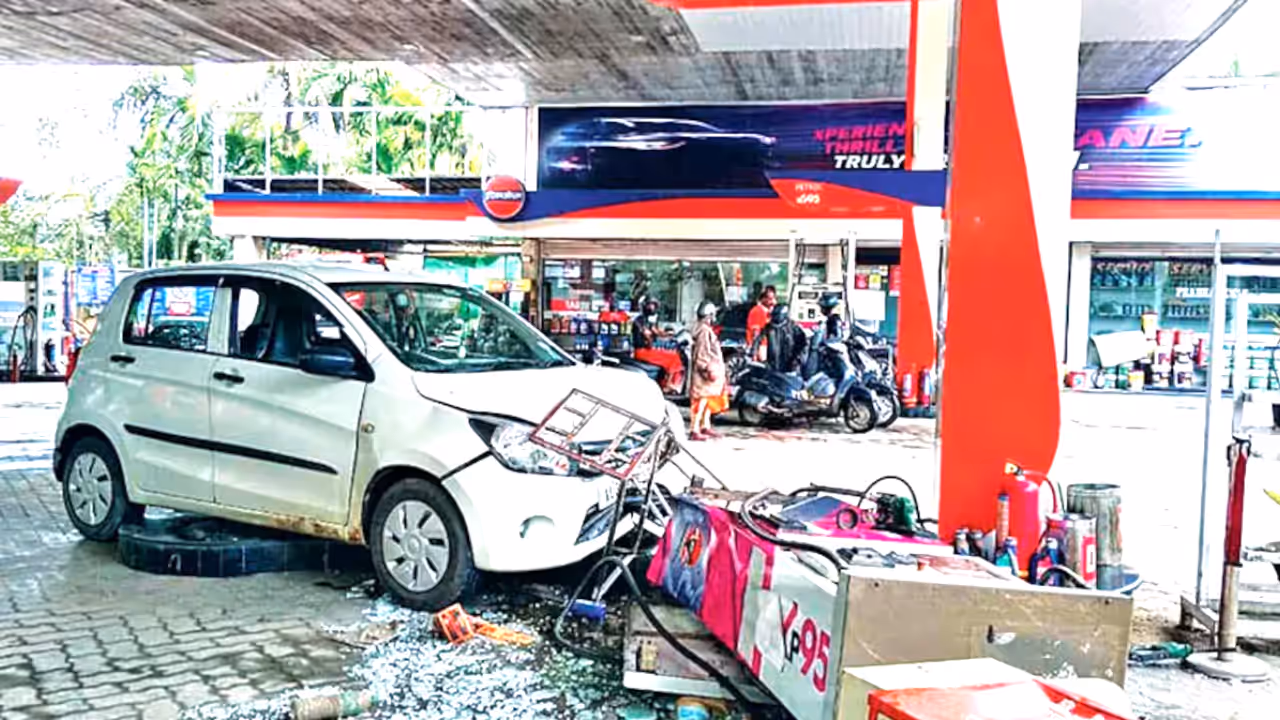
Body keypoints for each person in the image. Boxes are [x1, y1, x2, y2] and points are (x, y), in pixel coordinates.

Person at [689, 301, 728, 441]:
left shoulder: (703, 328)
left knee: (707, 401)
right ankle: (694, 429)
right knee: (700, 402)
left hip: (707, 372)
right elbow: (702, 353)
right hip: (704, 373)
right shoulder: (704, 331)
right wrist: (706, 368)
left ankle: (705, 426)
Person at [632, 298, 684, 394]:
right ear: (644, 306)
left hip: (648, 349)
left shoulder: (648, 320)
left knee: (673, 355)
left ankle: (665, 383)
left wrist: (670, 334)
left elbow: (657, 331)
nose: (652, 308)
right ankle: (668, 386)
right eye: (650, 305)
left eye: (654, 305)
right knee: (673, 358)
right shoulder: (639, 321)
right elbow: (647, 334)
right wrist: (655, 335)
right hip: (642, 351)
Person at [754, 303, 808, 374]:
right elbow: (758, 341)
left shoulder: (793, 328)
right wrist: (753, 353)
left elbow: (804, 344)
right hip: (772, 366)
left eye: (776, 316)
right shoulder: (768, 327)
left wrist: (798, 360)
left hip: (790, 367)